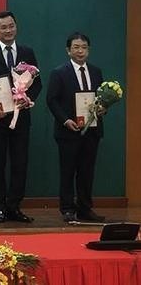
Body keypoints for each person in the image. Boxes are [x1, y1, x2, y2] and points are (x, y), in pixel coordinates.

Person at [0, 11, 42, 223]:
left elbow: (37, 83)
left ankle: (15, 206)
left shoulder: (27, 52)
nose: (8, 30)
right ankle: (0, 207)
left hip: (21, 119)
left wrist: (27, 99)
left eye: (11, 26)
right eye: (3, 27)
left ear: (16, 26)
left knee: (20, 164)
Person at [46, 32, 106, 222]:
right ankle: (67, 209)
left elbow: (101, 98)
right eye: (76, 47)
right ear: (68, 50)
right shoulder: (59, 72)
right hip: (68, 131)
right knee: (68, 171)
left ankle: (85, 208)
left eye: (84, 47)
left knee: (87, 171)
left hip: (92, 130)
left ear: (88, 50)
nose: (80, 51)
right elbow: (52, 100)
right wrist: (65, 120)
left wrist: (103, 109)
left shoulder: (96, 71)